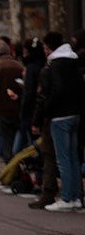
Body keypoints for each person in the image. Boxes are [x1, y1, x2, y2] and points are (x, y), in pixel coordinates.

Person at [32, 31, 84, 211]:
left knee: (62, 158)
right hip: (75, 114)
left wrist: (47, 110)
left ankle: (68, 198)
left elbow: (56, 91)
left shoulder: (55, 65)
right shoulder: (73, 62)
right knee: (73, 157)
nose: (45, 51)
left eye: (46, 47)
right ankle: (77, 196)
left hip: (60, 116)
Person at [0, 40, 25, 164]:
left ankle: (10, 165)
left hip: (1, 108)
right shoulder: (19, 65)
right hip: (17, 107)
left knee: (5, 138)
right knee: (16, 138)